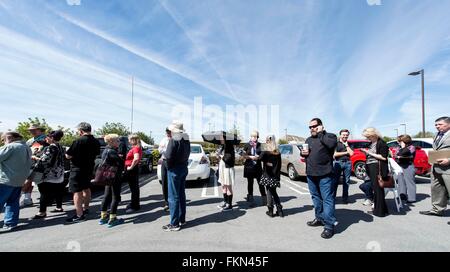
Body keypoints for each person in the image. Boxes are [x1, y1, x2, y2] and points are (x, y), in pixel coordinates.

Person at [301, 118, 338, 239]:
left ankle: (329, 226)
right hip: (311, 174)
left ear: (321, 126)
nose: (312, 128)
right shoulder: (308, 139)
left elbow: (331, 145)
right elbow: (305, 154)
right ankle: (319, 218)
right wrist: (303, 153)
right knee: (315, 198)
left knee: (327, 199)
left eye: (314, 126)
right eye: (310, 127)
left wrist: (321, 133)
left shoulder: (329, 136)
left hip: (325, 175)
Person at [65, 122, 100, 223]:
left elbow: (68, 155)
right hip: (89, 168)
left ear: (81, 131)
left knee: (77, 191)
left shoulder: (78, 141)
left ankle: (79, 215)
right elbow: (97, 153)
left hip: (77, 169)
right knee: (86, 188)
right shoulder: (95, 141)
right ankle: (86, 208)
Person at [0, 132, 32, 231]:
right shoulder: (27, 147)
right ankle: (10, 223)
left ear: (9, 138)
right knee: (13, 202)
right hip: (19, 180)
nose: (3, 142)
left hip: (6, 179)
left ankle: (10, 223)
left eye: (3, 139)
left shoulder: (10, 147)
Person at [163, 121, 190, 231]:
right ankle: (181, 219)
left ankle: (174, 224)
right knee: (181, 194)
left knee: (173, 197)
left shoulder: (174, 139)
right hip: (183, 167)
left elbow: (168, 156)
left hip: (174, 169)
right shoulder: (186, 139)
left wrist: (169, 167)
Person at [32, 130, 66, 219]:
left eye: (47, 137)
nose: (46, 139)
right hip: (59, 171)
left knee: (43, 191)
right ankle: (59, 207)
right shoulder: (61, 147)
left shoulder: (51, 147)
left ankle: (42, 212)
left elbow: (44, 160)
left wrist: (34, 157)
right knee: (58, 190)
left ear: (51, 138)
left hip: (50, 173)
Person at [420, 116, 450, 217]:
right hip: (436, 167)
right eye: (436, 125)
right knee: (436, 189)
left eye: (440, 124)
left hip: (448, 168)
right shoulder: (437, 135)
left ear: (448, 124)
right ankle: (437, 209)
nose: (437, 126)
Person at [361, 127, 389, 217]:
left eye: (368, 136)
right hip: (371, 166)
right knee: (376, 189)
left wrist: (369, 153)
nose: (367, 138)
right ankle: (382, 210)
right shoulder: (372, 143)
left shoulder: (381, 143)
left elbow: (384, 157)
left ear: (373, 135)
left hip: (376, 167)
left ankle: (379, 212)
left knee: (378, 190)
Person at [99, 134, 125, 228]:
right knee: (115, 197)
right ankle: (113, 218)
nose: (119, 142)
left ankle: (103, 216)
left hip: (107, 176)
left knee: (106, 196)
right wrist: (120, 157)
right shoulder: (112, 151)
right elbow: (121, 163)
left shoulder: (105, 150)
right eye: (117, 140)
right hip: (114, 176)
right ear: (111, 142)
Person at [20, 124, 48, 208]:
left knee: (29, 180)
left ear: (40, 130)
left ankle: (17, 197)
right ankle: (27, 198)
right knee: (30, 181)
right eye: (31, 130)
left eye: (34, 130)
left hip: (39, 163)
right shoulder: (30, 140)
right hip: (29, 162)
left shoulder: (45, 139)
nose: (32, 132)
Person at [259, 135, 283, 217]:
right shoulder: (277, 150)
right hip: (275, 175)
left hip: (268, 174)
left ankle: (270, 211)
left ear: (268, 140)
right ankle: (279, 210)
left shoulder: (266, 149)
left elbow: (260, 158)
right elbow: (279, 165)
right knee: (273, 192)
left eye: (266, 140)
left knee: (269, 192)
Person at [216, 132, 240, 212]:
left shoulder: (229, 147)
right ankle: (225, 202)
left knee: (228, 186)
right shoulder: (223, 146)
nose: (220, 139)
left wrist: (222, 157)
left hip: (227, 169)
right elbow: (222, 157)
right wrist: (219, 156)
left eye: (221, 137)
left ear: (225, 138)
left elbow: (229, 158)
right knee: (223, 185)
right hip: (222, 168)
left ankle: (229, 205)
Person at [242, 130, 266, 206]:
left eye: (255, 136)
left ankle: (265, 200)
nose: (253, 138)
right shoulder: (246, 145)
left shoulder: (260, 145)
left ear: (257, 137)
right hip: (249, 167)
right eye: (252, 136)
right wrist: (251, 157)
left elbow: (263, 156)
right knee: (250, 183)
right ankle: (251, 200)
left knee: (261, 183)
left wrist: (259, 157)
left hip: (258, 167)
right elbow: (243, 155)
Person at [333, 129, 354, 204]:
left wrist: (346, 145)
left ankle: (345, 198)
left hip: (348, 163)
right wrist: (346, 152)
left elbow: (351, 154)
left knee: (346, 182)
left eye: (346, 135)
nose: (345, 136)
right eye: (343, 134)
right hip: (338, 163)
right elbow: (334, 154)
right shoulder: (336, 143)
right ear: (340, 135)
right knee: (335, 181)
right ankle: (333, 198)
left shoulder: (350, 144)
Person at [123, 134, 143, 213]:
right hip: (132, 169)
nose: (128, 141)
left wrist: (131, 167)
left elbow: (136, 158)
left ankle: (135, 206)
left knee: (134, 188)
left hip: (132, 170)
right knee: (134, 188)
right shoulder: (136, 147)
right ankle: (134, 204)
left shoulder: (136, 148)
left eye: (129, 139)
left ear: (133, 140)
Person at [395, 134, 416, 203]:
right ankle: (402, 195)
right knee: (400, 181)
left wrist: (403, 147)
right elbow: (396, 154)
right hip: (400, 165)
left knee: (409, 182)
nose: (398, 143)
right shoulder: (399, 147)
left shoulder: (411, 147)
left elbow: (404, 153)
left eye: (399, 141)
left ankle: (411, 198)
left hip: (408, 166)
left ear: (405, 141)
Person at [158, 128, 172, 211]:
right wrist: (165, 150)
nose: (168, 134)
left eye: (169, 132)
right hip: (164, 161)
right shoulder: (164, 140)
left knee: (172, 182)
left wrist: (165, 150)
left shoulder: (175, 140)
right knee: (164, 182)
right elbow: (160, 150)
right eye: (167, 132)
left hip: (172, 162)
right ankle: (167, 202)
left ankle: (172, 202)